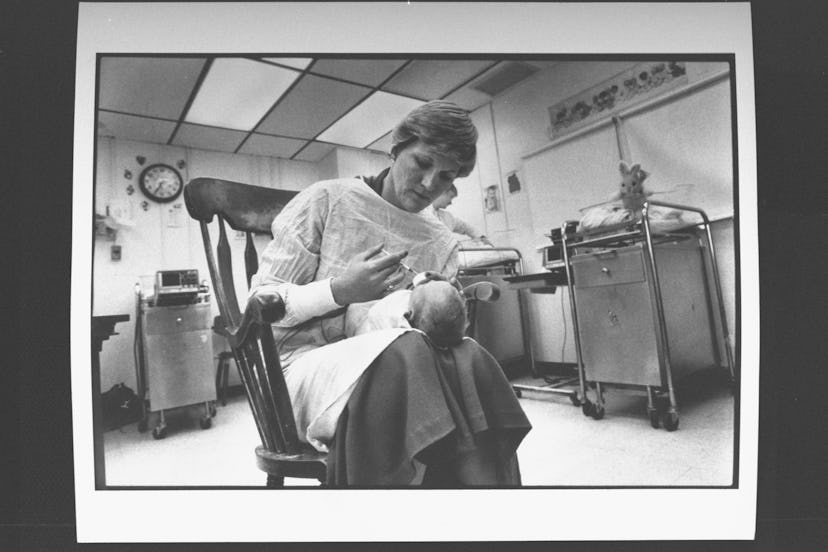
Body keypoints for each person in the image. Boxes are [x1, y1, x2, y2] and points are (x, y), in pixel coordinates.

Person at [250, 100, 531, 486]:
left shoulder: (440, 240)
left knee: (468, 357)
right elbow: (261, 306)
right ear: (397, 147)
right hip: (298, 368)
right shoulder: (327, 200)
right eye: (422, 163)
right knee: (408, 353)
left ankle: (483, 510)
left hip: (404, 369)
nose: (431, 184)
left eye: (447, 176)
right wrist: (340, 290)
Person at [344, 279, 468, 349]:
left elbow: (377, 314)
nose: (425, 283)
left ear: (409, 315)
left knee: (354, 310)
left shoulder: (394, 318)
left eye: (421, 288)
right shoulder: (440, 331)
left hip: (363, 329)